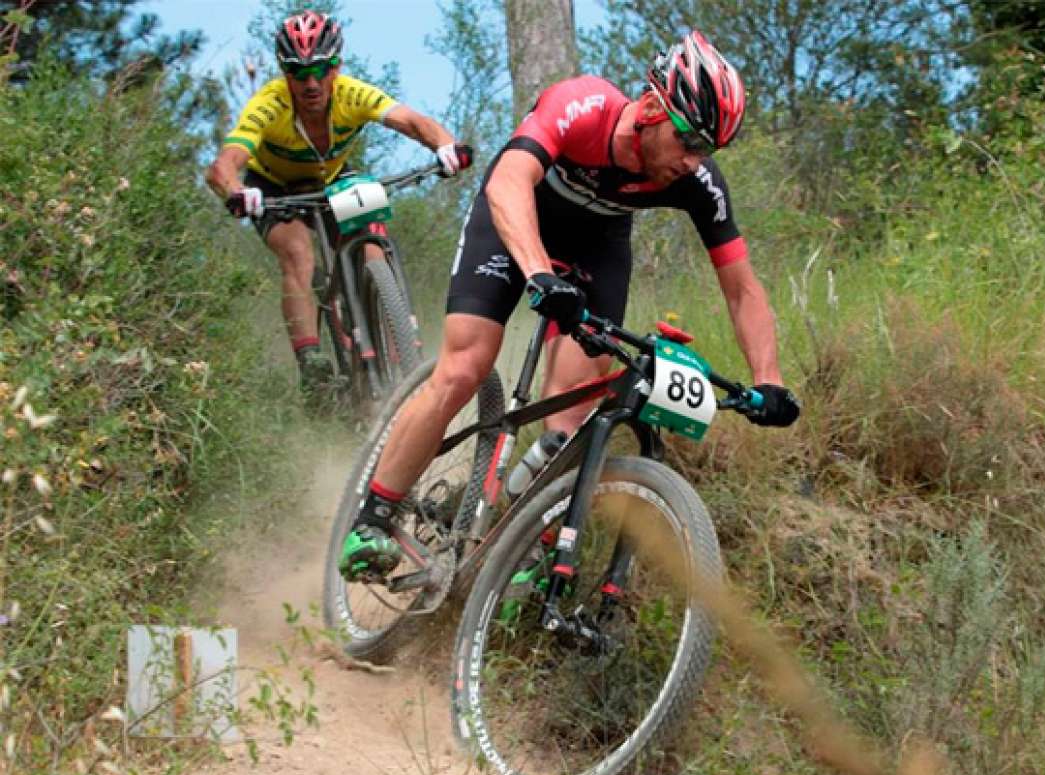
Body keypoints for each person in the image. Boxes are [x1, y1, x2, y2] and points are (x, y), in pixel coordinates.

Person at [338, 30, 801, 581]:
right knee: (465, 366)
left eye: (708, 149)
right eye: (689, 140)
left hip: (595, 248)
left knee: (575, 416)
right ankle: (374, 515)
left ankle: (507, 535)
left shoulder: (695, 179)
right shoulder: (583, 105)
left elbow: (742, 287)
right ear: (653, 107)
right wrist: (537, 271)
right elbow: (509, 180)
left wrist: (768, 380)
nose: (694, 160)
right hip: (514, 218)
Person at [205, 11, 467, 394]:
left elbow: (413, 122)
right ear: (284, 72)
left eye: (322, 69)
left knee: (370, 224)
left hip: (331, 179)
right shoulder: (269, 104)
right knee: (298, 253)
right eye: (298, 73)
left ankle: (394, 324)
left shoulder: (352, 93)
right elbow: (223, 166)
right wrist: (236, 192)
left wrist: (446, 146)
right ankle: (311, 365)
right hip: (275, 187)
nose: (311, 83)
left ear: (337, 65)